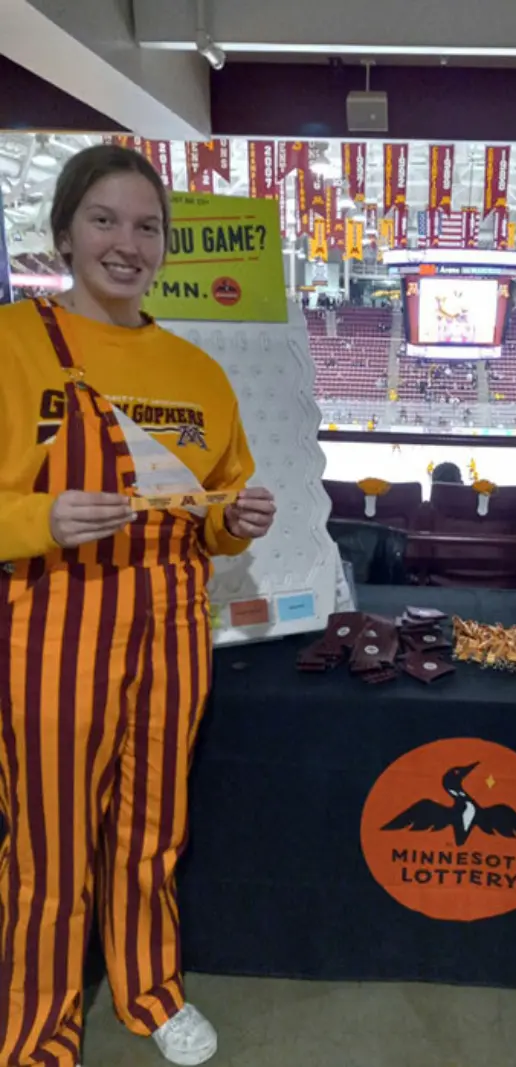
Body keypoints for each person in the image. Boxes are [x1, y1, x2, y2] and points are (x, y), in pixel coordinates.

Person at [0, 144, 277, 1067]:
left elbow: (218, 511)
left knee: (154, 824)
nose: (128, 243)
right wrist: (41, 515)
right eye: (105, 220)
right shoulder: (13, 346)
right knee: (49, 841)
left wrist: (240, 517)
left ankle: (149, 986)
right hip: (53, 625)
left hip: (173, 626)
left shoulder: (198, 372)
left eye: (147, 226)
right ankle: (38, 1026)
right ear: (65, 233)